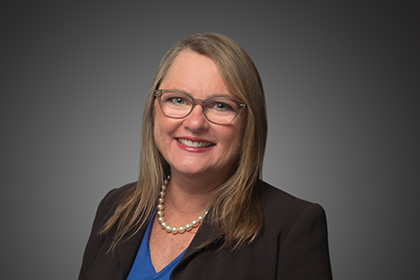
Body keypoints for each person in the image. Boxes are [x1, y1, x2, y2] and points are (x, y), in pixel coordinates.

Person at [79, 32, 333, 280]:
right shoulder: (115, 208)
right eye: (178, 100)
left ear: (249, 123)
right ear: (154, 109)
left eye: (221, 105)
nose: (195, 122)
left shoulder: (292, 227)